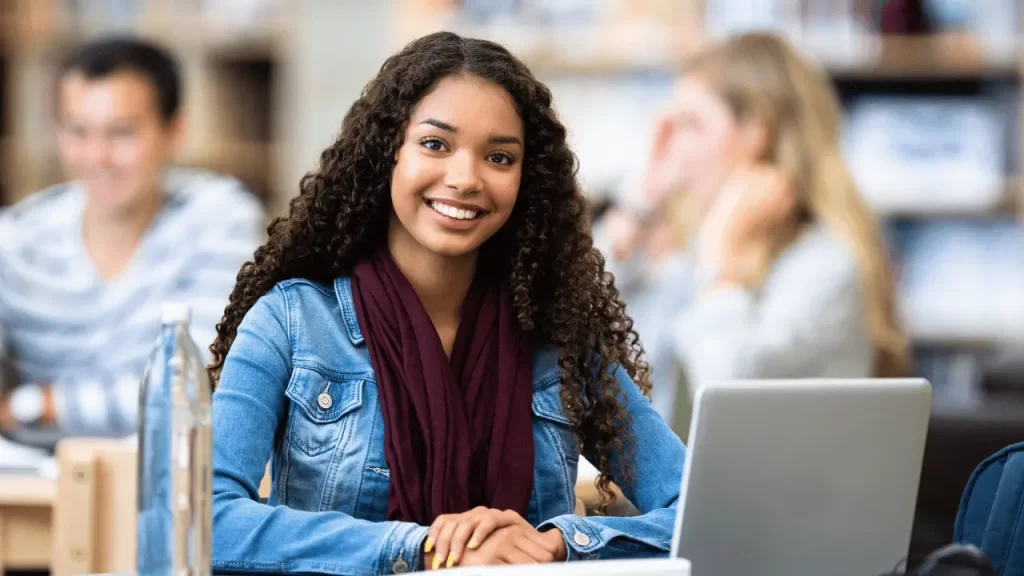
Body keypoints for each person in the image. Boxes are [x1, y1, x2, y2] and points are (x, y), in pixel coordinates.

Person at [209, 31, 684, 574]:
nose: (465, 178)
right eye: (435, 145)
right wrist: (419, 548)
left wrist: (557, 544)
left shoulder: (559, 337)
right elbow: (210, 521)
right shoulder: (290, 322)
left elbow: (696, 506)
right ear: (386, 153)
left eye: (499, 157)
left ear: (525, 179)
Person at [597, 32, 911, 422]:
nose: (676, 148)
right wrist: (641, 197)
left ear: (757, 134)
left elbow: (730, 407)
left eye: (692, 125)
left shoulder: (827, 265)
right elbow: (589, 337)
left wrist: (721, 265)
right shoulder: (697, 251)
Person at [0, 37, 264, 449]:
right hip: (33, 487)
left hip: (170, 477)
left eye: (120, 133)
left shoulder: (217, 218)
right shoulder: (17, 238)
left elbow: (199, 381)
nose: (97, 156)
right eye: (77, 131)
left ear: (174, 131)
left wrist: (37, 405)